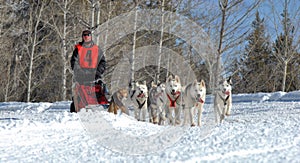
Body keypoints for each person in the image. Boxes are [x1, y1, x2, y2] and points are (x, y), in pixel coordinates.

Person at [70, 30, 106, 112]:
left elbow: (102, 62)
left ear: (91, 36)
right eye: (84, 35)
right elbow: (74, 62)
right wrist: (80, 72)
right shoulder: (78, 49)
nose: (86, 37)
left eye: (88, 35)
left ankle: (102, 105)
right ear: (82, 37)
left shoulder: (97, 49)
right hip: (81, 76)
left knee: (100, 90)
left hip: (95, 75)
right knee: (80, 93)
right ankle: (79, 107)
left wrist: (98, 72)